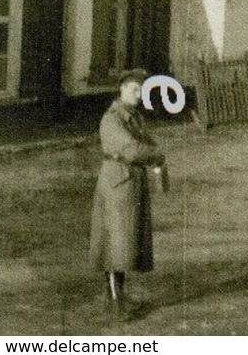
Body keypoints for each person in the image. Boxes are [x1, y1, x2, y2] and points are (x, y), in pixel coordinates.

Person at [89, 68, 166, 318]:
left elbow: (148, 143)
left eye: (142, 91)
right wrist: (156, 155)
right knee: (114, 245)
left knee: (125, 243)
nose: (139, 95)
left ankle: (117, 296)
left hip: (129, 184)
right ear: (121, 89)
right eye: (135, 90)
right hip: (116, 186)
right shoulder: (111, 119)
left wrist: (154, 153)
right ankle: (114, 304)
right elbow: (132, 150)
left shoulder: (133, 117)